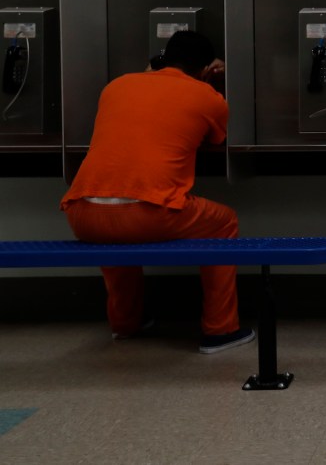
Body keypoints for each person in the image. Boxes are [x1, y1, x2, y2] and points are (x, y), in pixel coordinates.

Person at [60, 30, 254, 354]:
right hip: (147, 214)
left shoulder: (116, 86)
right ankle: (221, 330)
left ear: (163, 58)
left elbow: (152, 83)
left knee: (115, 229)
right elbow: (215, 139)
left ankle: (125, 323)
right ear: (206, 69)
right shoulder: (208, 97)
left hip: (83, 213)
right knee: (224, 222)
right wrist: (211, 78)